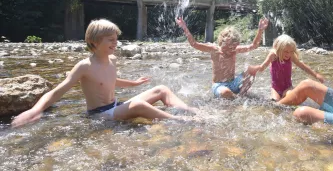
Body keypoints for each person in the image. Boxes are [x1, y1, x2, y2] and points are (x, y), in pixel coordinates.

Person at [12, 19, 197, 127]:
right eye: (110, 40)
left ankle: (190, 111)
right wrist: (36, 109)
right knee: (138, 104)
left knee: (161, 89)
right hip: (100, 115)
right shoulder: (84, 66)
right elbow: (57, 91)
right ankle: (178, 119)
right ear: (94, 42)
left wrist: (135, 83)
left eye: (116, 40)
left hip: (115, 105)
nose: (115, 44)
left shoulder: (113, 60)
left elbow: (112, 81)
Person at [176, 17, 269, 99]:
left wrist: (260, 30)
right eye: (228, 47)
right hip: (219, 86)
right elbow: (194, 44)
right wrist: (184, 27)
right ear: (221, 42)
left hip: (233, 83)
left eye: (233, 47)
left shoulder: (235, 50)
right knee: (225, 92)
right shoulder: (214, 50)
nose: (231, 50)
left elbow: (254, 46)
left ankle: (241, 95)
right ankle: (236, 98)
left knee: (251, 70)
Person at [247, 34, 325, 101]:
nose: (288, 54)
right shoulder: (273, 55)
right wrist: (254, 69)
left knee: (291, 98)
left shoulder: (291, 56)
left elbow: (302, 65)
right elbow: (262, 67)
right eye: (286, 51)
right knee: (276, 103)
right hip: (275, 89)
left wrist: (316, 75)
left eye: (291, 51)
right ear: (278, 48)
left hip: (288, 87)